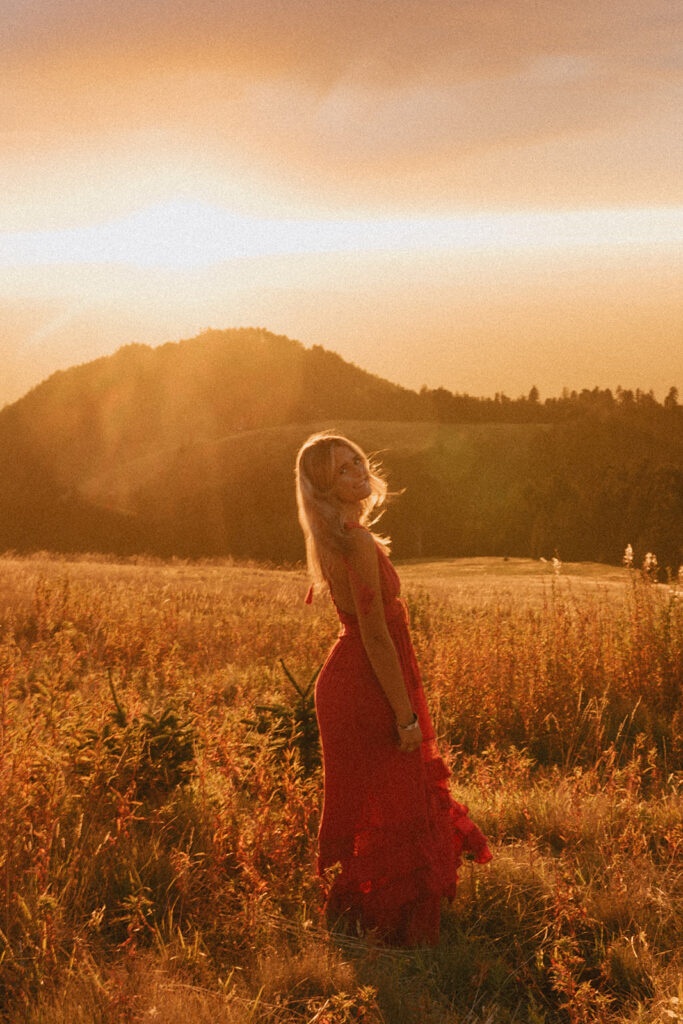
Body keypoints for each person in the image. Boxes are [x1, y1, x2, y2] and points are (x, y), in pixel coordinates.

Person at [295, 431, 492, 947]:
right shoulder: (354, 541)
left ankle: (368, 922)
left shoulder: (338, 534)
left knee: (385, 801)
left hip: (354, 678)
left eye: (357, 461)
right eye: (341, 470)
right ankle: (396, 929)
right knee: (400, 799)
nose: (358, 472)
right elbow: (376, 635)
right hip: (365, 682)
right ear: (324, 486)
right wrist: (406, 716)